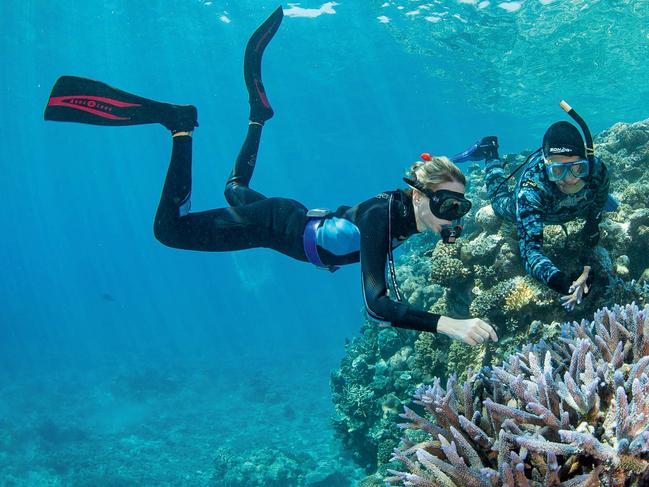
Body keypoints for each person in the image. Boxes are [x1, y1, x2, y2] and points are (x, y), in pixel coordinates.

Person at [44, 7, 497, 346]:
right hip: (273, 226)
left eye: (460, 207)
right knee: (168, 230)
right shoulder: (383, 217)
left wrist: (469, 156)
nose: (453, 217)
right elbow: (377, 305)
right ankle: (179, 124)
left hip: (291, 216)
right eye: (447, 206)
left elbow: (435, 173)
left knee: (233, 189)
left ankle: (257, 117)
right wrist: (448, 324)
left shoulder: (411, 202)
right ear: (419, 196)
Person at [453, 113, 610, 311]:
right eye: (557, 170)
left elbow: (600, 200)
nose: (569, 179)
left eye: (577, 168)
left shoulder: (598, 170)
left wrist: (592, 225)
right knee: (499, 204)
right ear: (546, 167)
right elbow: (530, 253)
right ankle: (490, 153)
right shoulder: (531, 190)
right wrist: (563, 282)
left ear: (587, 160)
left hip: (578, 209)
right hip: (542, 209)